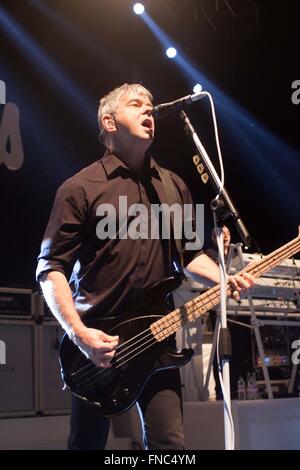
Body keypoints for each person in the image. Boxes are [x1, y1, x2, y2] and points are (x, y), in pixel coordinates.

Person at [36, 83, 255, 450]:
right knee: (86, 445)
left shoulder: (174, 187)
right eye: (137, 105)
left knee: (170, 444)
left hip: (158, 336)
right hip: (97, 343)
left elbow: (190, 257)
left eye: (151, 105)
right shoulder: (80, 188)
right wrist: (78, 334)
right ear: (108, 122)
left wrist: (225, 278)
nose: (149, 111)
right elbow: (50, 269)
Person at [205, 226, 252, 399]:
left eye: (228, 233)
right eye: (222, 233)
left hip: (241, 311)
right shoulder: (209, 256)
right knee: (223, 351)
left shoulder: (237, 254)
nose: (226, 236)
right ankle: (222, 391)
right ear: (213, 236)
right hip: (222, 313)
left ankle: (240, 389)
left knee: (243, 350)